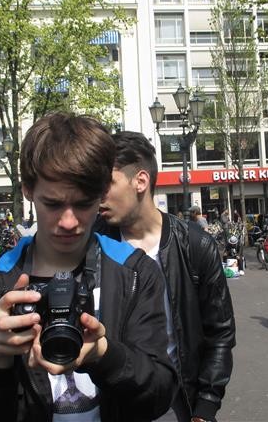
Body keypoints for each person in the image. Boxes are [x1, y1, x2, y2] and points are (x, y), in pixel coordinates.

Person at [0, 113, 177, 422]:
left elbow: (160, 395)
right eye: (53, 204)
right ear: (28, 190)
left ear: (103, 193)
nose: (69, 221)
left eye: (84, 204)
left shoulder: (136, 273)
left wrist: (105, 355)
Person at [97, 131, 236, 422]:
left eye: (106, 183)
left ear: (140, 181)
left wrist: (206, 405)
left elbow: (220, 334)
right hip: (111, 401)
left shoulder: (195, 245)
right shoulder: (93, 245)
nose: (98, 195)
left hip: (176, 402)